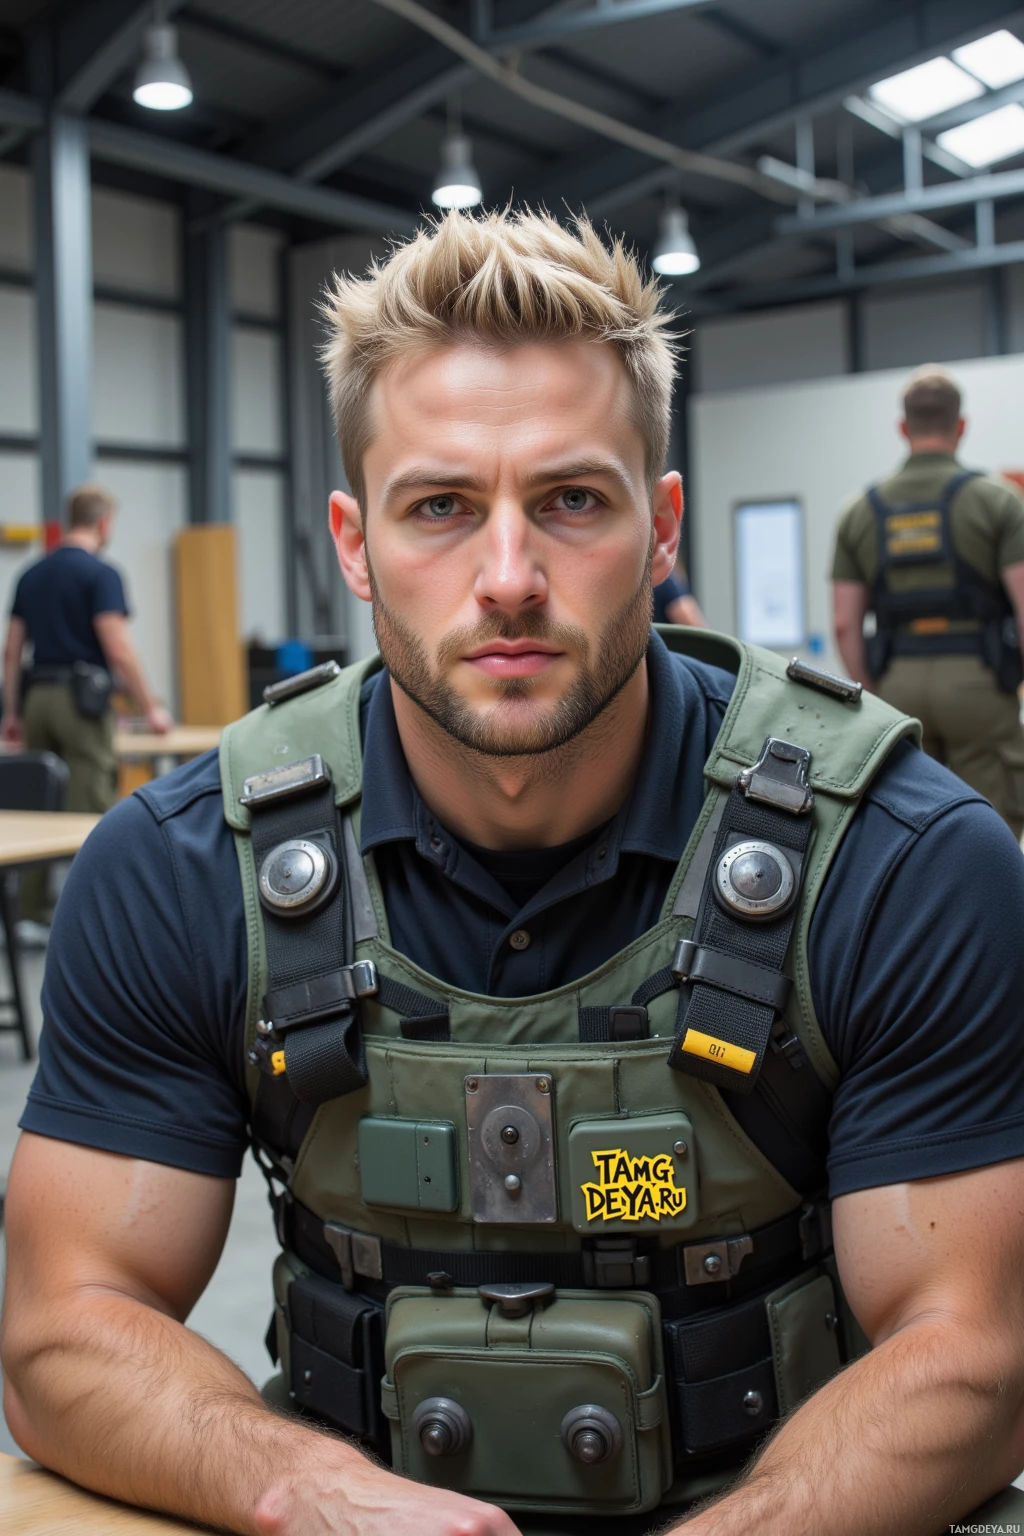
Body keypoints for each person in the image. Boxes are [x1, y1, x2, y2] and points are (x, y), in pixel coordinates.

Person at [3, 212, 1024, 1536]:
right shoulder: (183, 868)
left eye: (570, 501)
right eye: (439, 506)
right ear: (354, 541)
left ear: (658, 527)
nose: (507, 579)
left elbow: (973, 1359)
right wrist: (302, 1489)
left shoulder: (901, 864)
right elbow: (60, 1333)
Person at [831, 365, 1024, 840]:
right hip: (979, 683)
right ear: (961, 426)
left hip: (898, 686)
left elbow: (843, 624)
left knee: (916, 831)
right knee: (992, 830)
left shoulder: (860, 511)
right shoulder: (999, 501)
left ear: (903, 427)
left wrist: (874, 694)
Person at [0, 484, 173, 938]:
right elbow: (117, 646)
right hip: (81, 700)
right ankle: (89, 922)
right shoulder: (102, 574)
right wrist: (150, 705)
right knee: (91, 802)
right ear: (103, 524)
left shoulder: (31, 573)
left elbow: (12, 649)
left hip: (38, 695)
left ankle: (29, 913)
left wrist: (12, 711)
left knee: (38, 805)